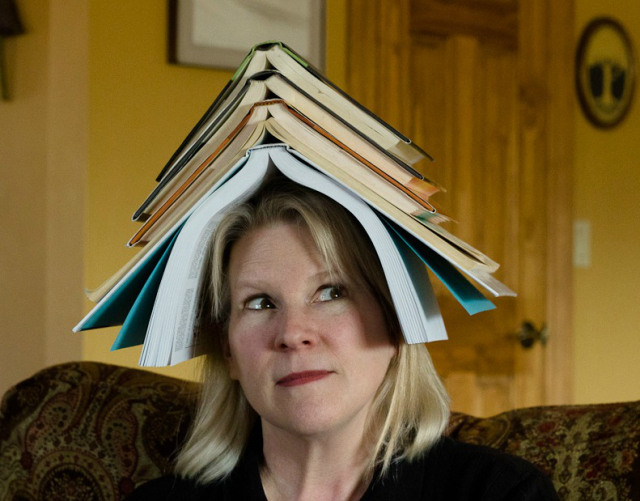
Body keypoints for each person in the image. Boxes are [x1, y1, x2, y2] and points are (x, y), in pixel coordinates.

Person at [128, 176, 559, 500]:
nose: (293, 334)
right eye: (259, 302)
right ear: (229, 350)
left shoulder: (500, 495)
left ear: (396, 323)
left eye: (331, 292)